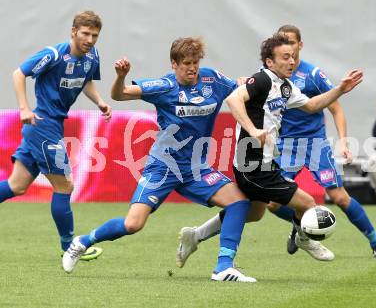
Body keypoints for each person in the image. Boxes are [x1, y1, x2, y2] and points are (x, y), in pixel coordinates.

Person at [62, 37, 256, 283]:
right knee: (133, 224)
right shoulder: (164, 86)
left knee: (239, 202)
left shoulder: (212, 80)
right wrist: (121, 76)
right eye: (186, 63)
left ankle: (223, 267)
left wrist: (249, 83)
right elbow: (120, 95)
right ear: (174, 64)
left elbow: (241, 90)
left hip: (196, 168)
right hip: (164, 167)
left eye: (195, 62)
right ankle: (81, 242)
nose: (192, 68)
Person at [175, 33, 363, 269]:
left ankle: (196, 235)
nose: (292, 61)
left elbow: (312, 105)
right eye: (285, 57)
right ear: (269, 62)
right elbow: (234, 100)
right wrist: (252, 129)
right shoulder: (262, 80)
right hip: (252, 164)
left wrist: (340, 89)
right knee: (307, 204)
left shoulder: (285, 87)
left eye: (293, 57)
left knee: (254, 213)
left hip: (263, 162)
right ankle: (303, 239)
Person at [266, 25, 376, 259]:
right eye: (283, 43)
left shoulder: (313, 75)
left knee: (340, 197)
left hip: (315, 145)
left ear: (300, 45)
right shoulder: (271, 74)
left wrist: (343, 141)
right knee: (272, 202)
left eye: (292, 42)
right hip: (287, 146)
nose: (288, 48)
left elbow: (336, 108)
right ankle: (301, 227)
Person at [0, 11, 110, 260]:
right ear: (73, 32)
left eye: (94, 35)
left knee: (16, 186)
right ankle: (68, 246)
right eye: (85, 33)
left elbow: (86, 81)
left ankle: (67, 245)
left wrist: (100, 102)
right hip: (42, 125)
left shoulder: (92, 56)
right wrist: (24, 108)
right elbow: (19, 73)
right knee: (65, 185)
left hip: (48, 126)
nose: (90, 39)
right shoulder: (53, 54)